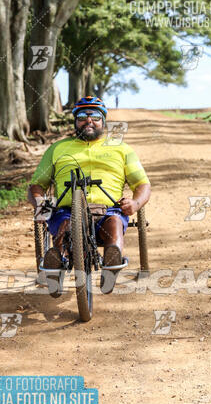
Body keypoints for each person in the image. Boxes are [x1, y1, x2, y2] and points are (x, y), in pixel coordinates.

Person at [28, 96, 151, 294]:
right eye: (82, 117)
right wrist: (41, 204)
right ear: (75, 121)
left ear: (103, 120)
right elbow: (37, 185)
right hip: (67, 211)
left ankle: (112, 265)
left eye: (94, 116)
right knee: (65, 227)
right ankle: (55, 266)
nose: (89, 121)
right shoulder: (57, 148)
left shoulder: (121, 149)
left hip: (108, 210)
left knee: (114, 224)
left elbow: (143, 184)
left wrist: (135, 204)